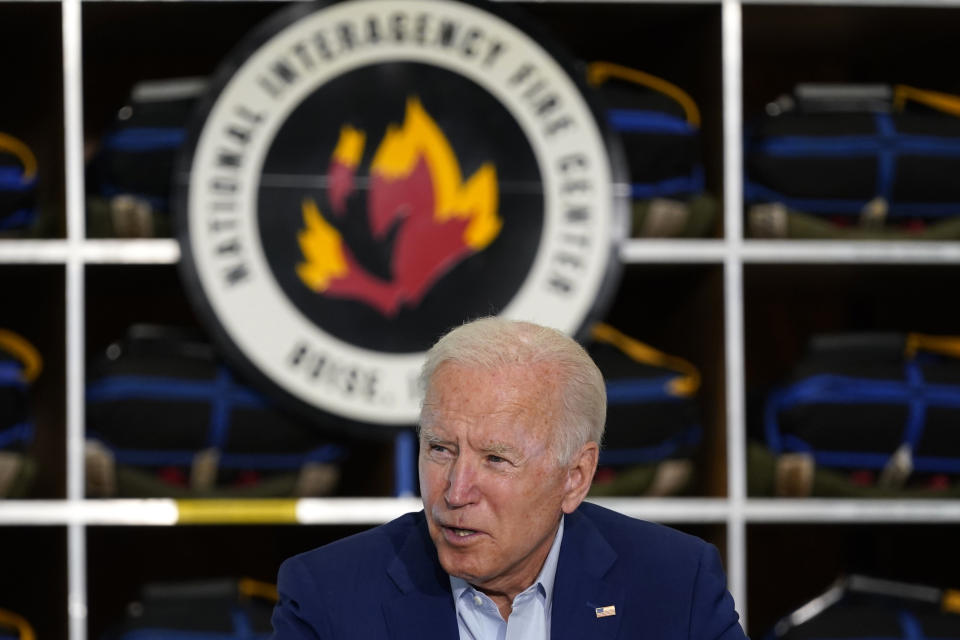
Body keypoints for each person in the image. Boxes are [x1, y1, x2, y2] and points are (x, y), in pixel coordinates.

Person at [271, 317, 748, 639]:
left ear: (575, 478)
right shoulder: (325, 597)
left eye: (496, 459)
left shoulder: (675, 585)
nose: (455, 493)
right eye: (440, 449)